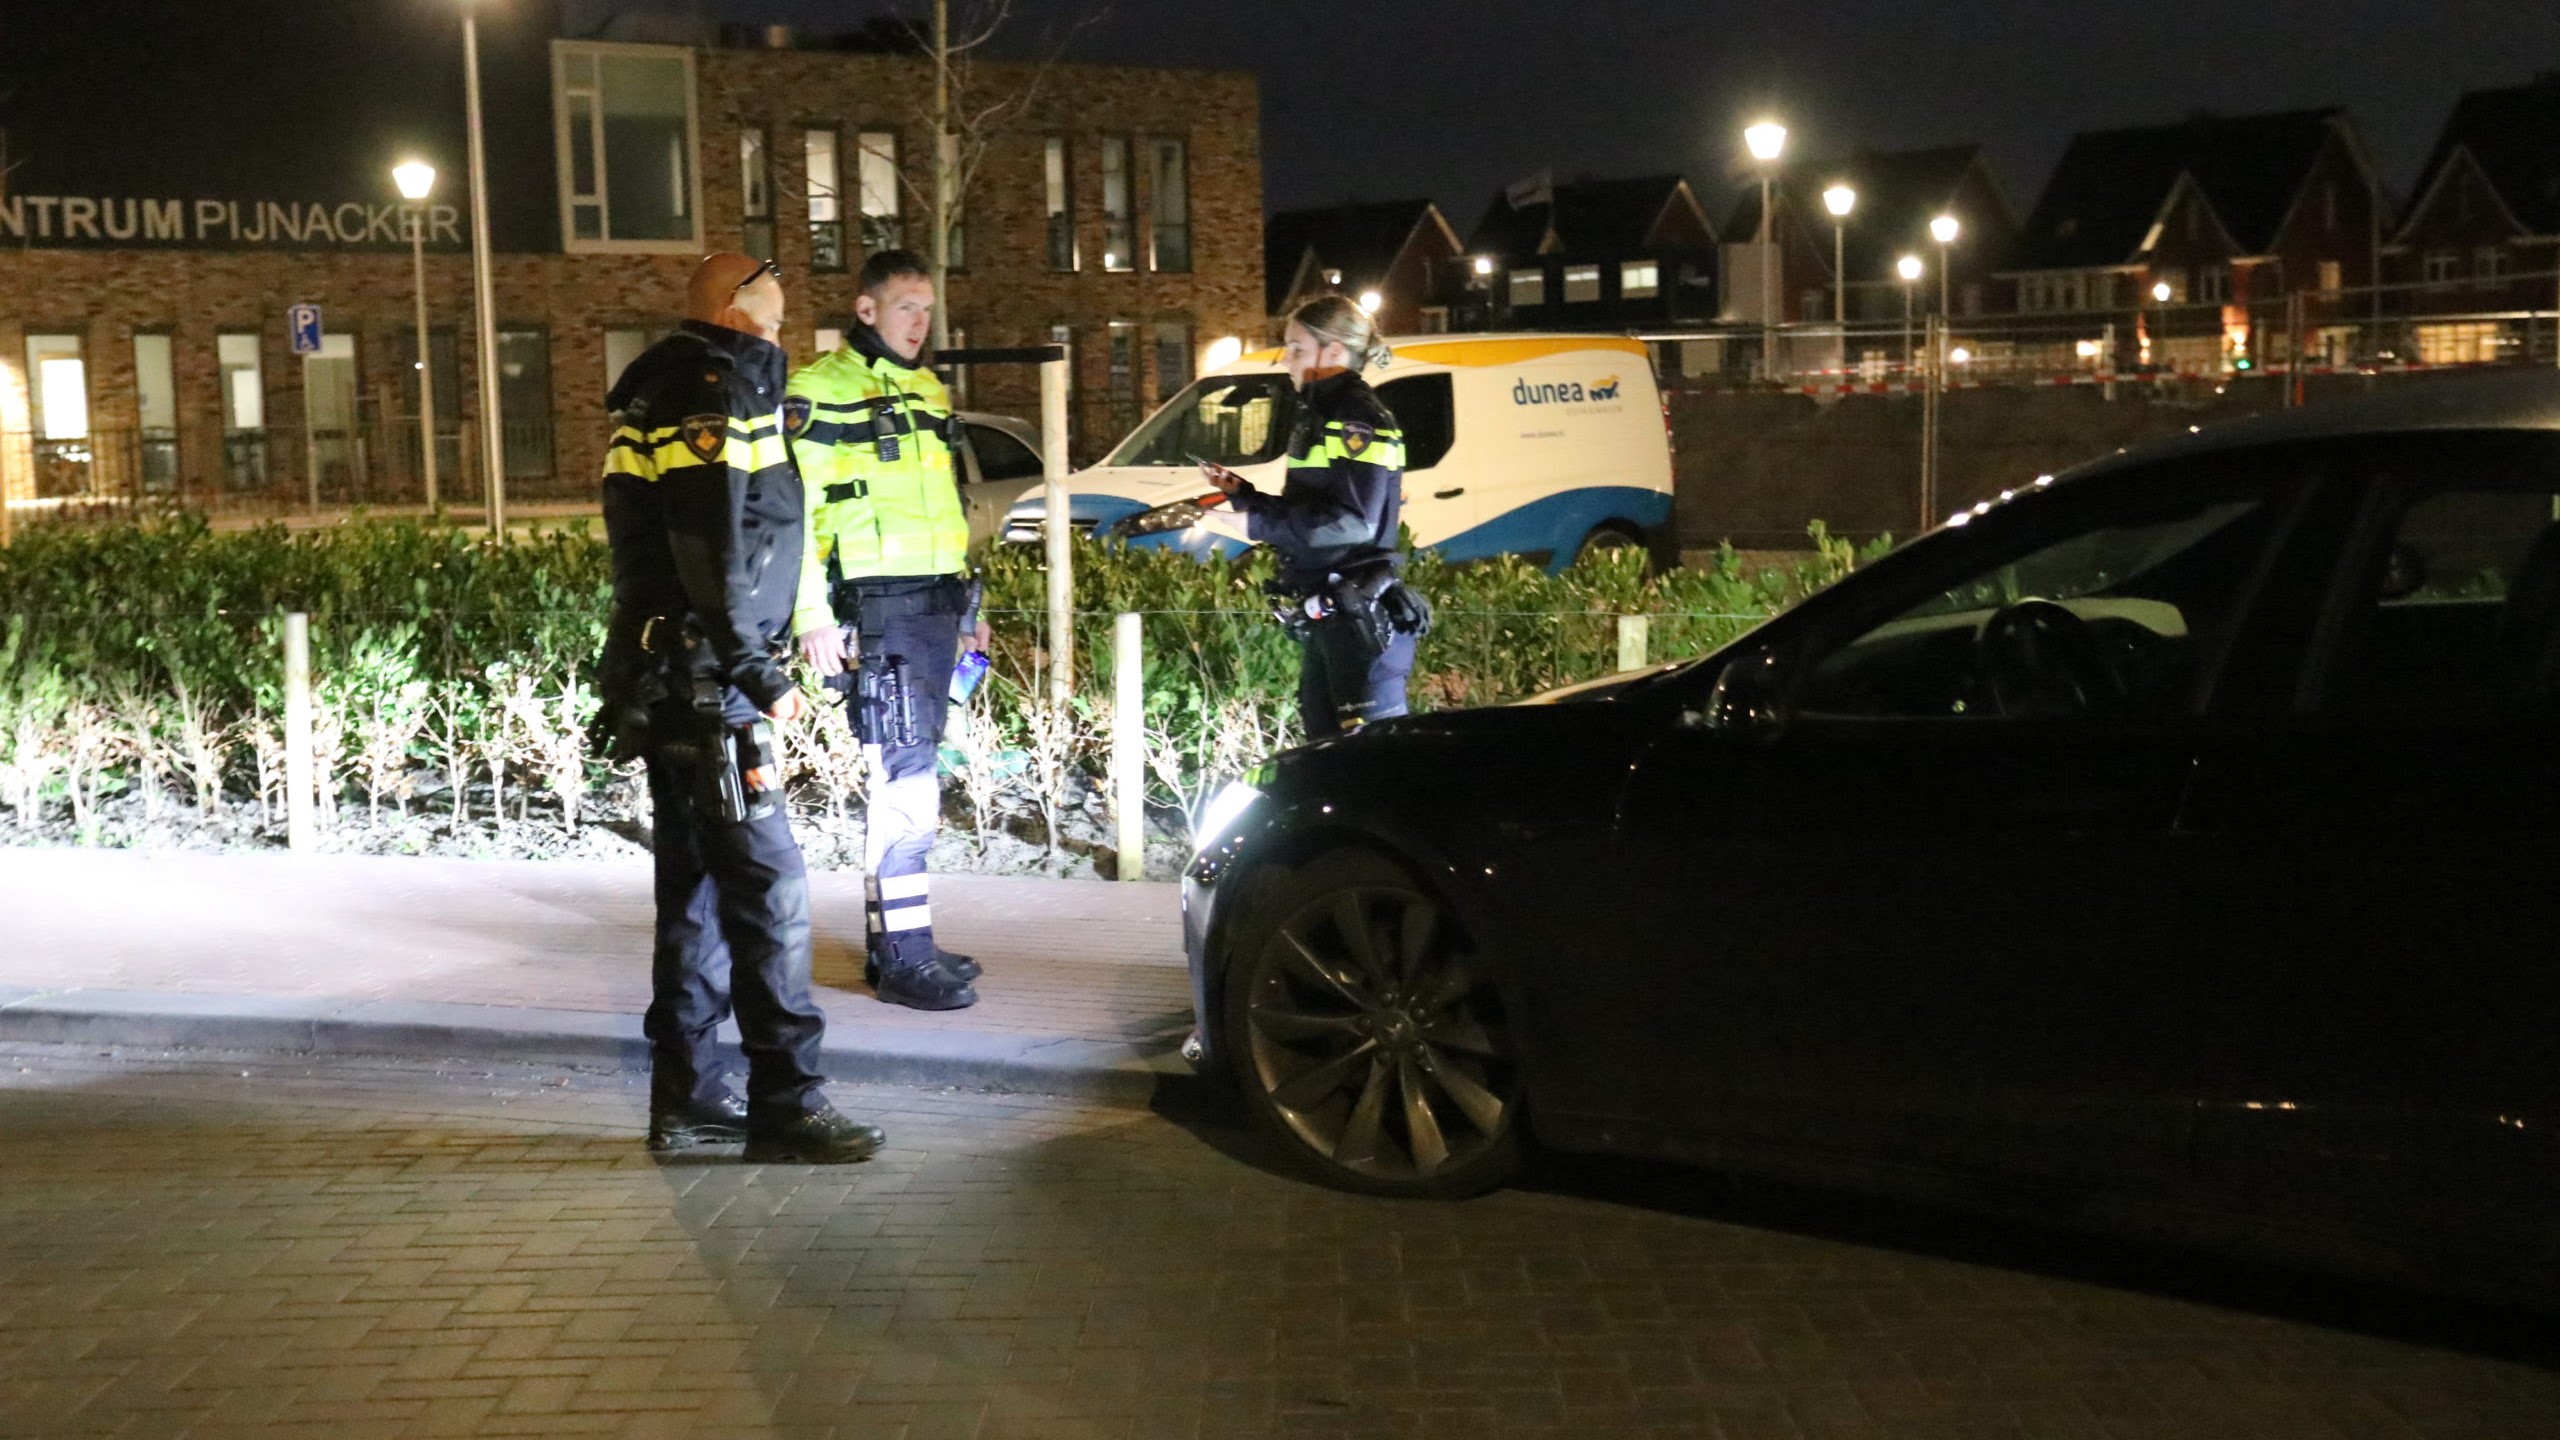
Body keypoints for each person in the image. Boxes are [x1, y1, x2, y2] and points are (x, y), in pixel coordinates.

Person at [592, 252, 884, 1165]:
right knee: (771, 897)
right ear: (734, 311)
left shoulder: (679, 385)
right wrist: (760, 670)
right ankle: (787, 1102)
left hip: (675, 680)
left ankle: (686, 1101)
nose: (782, 329)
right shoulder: (713, 390)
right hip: (710, 684)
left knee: (697, 901)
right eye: (771, 311)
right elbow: (712, 544)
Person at [786, 249, 986, 1012]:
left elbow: (947, 505)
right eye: (905, 306)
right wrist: (810, 615)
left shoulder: (927, 389)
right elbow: (797, 515)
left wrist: (969, 613)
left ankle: (896, 944)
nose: (920, 322)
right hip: (878, 606)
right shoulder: (819, 391)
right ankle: (906, 959)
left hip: (934, 601)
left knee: (916, 774)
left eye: (927, 308)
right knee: (905, 785)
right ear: (865, 310)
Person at [1200, 295, 1431, 737]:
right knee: (1328, 760)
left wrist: (1256, 525)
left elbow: (1353, 522)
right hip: (1334, 616)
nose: (1285, 359)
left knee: (1369, 769)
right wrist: (1243, 497)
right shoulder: (1322, 412)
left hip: (1361, 621)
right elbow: (1313, 509)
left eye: (1298, 348)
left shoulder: (1357, 418)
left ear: (1335, 352)